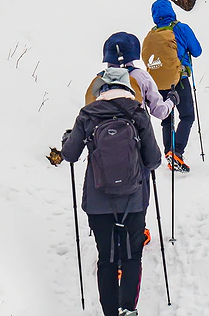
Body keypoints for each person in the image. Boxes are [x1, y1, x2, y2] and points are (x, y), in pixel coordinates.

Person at [62, 66, 162, 316]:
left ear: (102, 90)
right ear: (128, 88)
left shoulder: (88, 114)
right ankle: (128, 308)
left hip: (98, 202)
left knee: (107, 259)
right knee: (131, 257)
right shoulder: (138, 113)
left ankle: (110, 313)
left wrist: (68, 138)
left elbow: (70, 154)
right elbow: (153, 159)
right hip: (134, 200)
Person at [142, 0, 202, 173]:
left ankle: (169, 152)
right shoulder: (181, 28)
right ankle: (177, 152)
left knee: (166, 117)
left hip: (158, 81)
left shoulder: (151, 33)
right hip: (179, 79)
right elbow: (197, 51)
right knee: (187, 116)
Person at [86, 32, 178, 122]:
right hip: (133, 133)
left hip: (101, 135)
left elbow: (87, 116)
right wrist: (171, 101)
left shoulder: (98, 81)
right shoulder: (141, 76)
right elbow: (160, 111)